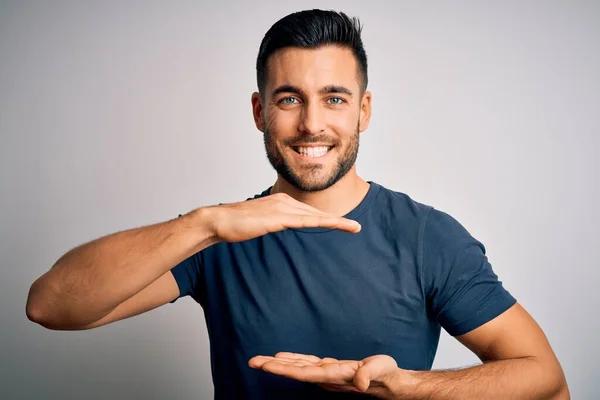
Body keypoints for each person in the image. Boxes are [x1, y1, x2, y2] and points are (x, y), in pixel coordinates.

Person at [26, 9, 569, 400]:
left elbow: (544, 378)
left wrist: (412, 387)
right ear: (260, 111)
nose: (312, 123)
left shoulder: (427, 237)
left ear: (364, 110)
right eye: (290, 99)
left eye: (334, 98)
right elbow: (52, 306)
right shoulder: (216, 238)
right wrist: (207, 223)